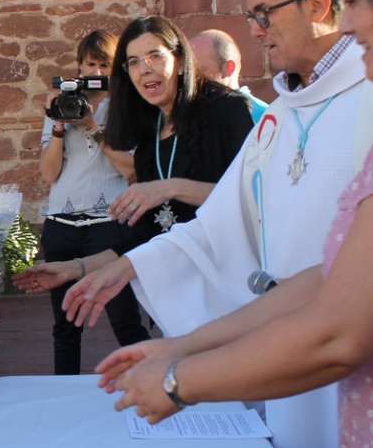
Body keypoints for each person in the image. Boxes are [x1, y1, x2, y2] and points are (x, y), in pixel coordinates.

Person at [63, 0, 367, 448]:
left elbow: (338, 291)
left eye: (263, 14)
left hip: (346, 360)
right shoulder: (282, 114)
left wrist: (181, 375)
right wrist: (125, 267)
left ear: (320, 5)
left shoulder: (362, 98)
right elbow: (224, 222)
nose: (254, 30)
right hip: (284, 339)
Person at [14, 16, 252, 309]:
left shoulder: (226, 110)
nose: (145, 68)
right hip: (179, 292)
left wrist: (169, 188)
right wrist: (73, 269)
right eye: (134, 61)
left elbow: (247, 198)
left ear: (178, 58)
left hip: (229, 287)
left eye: (155, 56)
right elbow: (143, 238)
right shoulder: (148, 129)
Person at [36, 30, 149, 375]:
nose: (96, 72)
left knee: (123, 317)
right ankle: (63, 394)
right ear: (79, 67)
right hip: (61, 224)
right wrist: (58, 127)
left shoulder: (128, 108)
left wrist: (92, 127)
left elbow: (131, 169)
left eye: (104, 64)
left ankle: (151, 381)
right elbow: (49, 173)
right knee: (66, 324)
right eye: (90, 64)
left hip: (108, 223)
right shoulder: (61, 105)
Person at [189, 29, 269, 124]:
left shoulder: (262, 117)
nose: (190, 78)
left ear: (228, 68)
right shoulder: (188, 113)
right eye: (188, 71)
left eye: (200, 70)